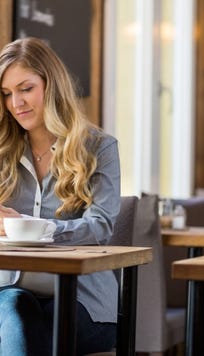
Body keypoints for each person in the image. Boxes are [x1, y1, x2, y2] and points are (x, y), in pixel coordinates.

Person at [0, 37, 120, 355]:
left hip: (83, 301)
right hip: (11, 290)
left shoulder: (99, 147)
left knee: (32, 328)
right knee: (13, 308)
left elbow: (101, 225)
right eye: (7, 94)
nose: (16, 103)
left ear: (50, 85)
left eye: (26, 89)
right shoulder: (3, 152)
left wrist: (28, 226)